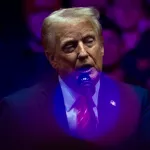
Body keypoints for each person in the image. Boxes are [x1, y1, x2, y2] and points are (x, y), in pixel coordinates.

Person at [0, 7, 150, 150]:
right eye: (70, 46)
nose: (83, 53)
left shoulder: (138, 101)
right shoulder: (19, 110)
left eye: (89, 42)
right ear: (53, 58)